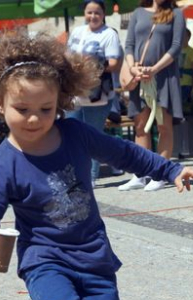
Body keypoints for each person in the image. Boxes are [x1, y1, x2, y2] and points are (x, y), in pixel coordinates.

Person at [0, 33, 193, 300]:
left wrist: (171, 169)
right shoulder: (1, 167)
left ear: (60, 100)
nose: (34, 119)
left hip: (94, 255)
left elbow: (124, 153)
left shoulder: (75, 134)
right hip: (45, 260)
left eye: (45, 109)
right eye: (22, 110)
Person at [119, 0, 186, 192]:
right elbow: (129, 45)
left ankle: (160, 173)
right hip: (139, 77)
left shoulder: (176, 13)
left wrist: (154, 69)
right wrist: (133, 68)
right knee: (141, 126)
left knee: (163, 124)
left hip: (164, 76)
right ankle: (141, 173)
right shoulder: (138, 12)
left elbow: (175, 47)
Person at [66, 0, 122, 187]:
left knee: (93, 137)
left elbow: (115, 64)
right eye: (89, 12)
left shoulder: (109, 35)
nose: (93, 16)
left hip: (98, 95)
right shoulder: (77, 32)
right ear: (84, 13)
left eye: (97, 13)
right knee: (69, 135)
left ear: (103, 14)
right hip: (75, 93)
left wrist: (94, 63)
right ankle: (73, 175)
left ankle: (90, 177)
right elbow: (68, 56)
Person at [179, 28, 193, 104]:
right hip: (175, 83)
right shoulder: (175, 51)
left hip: (186, 84)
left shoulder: (192, 52)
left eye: (183, 36)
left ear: (188, 38)